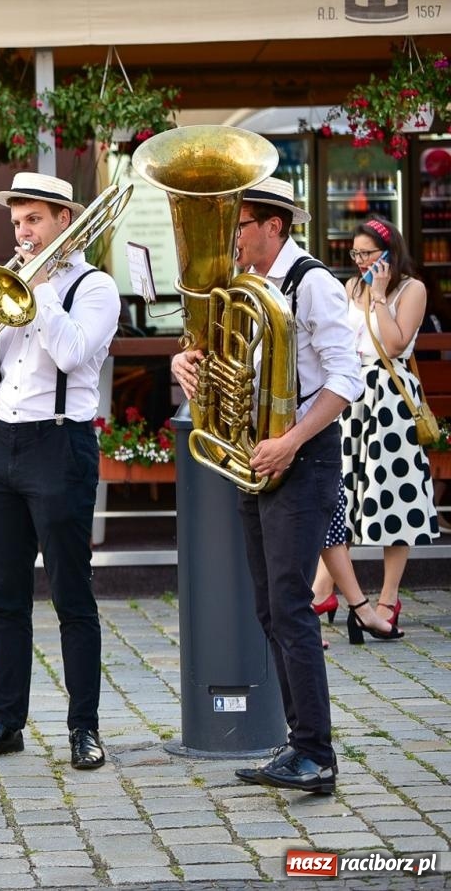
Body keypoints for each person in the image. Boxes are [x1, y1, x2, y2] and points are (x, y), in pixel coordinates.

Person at [172, 177, 361, 795]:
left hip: (298, 456)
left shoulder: (315, 284)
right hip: (258, 451)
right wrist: (188, 364)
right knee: (269, 607)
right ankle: (298, 741)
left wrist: (292, 439)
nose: (232, 236)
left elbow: (346, 380)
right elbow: (223, 360)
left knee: (290, 605)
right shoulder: (244, 287)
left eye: (241, 223)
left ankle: (316, 753)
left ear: (274, 225)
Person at [0, 173, 120, 772]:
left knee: (73, 595)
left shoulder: (96, 289)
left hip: (60, 445)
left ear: (65, 221)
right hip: (1, 446)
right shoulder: (7, 286)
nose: (23, 232)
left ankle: (84, 728)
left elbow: (74, 355)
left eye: (34, 221)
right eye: (17, 222)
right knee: (5, 596)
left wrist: (39, 293)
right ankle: (7, 721)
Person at [311, 216, 437, 641]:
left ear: (389, 254)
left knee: (393, 498)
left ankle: (387, 598)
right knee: (337, 496)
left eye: (369, 253)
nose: (361, 261)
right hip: (352, 397)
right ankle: (324, 590)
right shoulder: (350, 288)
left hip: (391, 399)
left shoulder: (411, 289)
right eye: (356, 254)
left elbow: (396, 342)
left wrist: (381, 295)